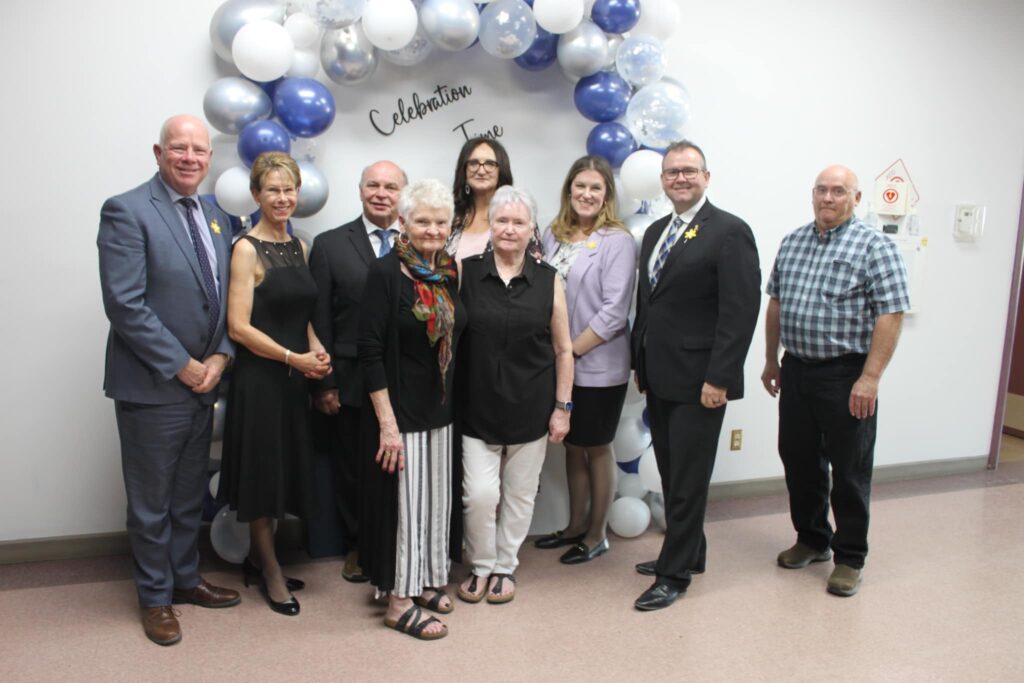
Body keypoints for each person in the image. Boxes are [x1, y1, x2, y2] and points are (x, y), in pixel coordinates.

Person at [98, 114, 240, 646]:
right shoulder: (127, 210)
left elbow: (225, 298)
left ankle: (184, 579)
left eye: (199, 150)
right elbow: (125, 305)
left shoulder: (214, 214)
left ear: (208, 158)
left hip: (205, 384)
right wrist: (184, 365)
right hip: (153, 386)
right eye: (178, 148)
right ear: (158, 153)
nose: (189, 158)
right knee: (151, 502)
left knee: (185, 496)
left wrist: (221, 359)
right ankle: (155, 598)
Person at [761, 165, 909, 598]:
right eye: (822, 190)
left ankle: (849, 558)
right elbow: (776, 304)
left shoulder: (876, 247)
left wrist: (871, 377)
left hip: (848, 374)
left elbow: (891, 314)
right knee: (798, 458)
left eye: (839, 191)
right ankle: (812, 539)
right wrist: (772, 359)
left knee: (849, 469)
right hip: (798, 369)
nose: (828, 198)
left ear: (856, 199)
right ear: (812, 195)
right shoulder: (793, 242)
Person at [630, 140, 761, 611]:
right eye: (671, 172)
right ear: (662, 180)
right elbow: (650, 302)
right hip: (660, 374)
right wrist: (638, 359)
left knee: (688, 478)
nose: (679, 179)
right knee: (671, 471)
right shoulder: (658, 231)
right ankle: (691, 550)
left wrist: (720, 378)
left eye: (689, 171)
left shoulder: (729, 232)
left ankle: (674, 573)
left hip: (701, 380)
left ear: (707, 176)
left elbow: (741, 310)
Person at [217, 152, 332, 616]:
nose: (282, 198)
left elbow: (300, 315)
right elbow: (238, 327)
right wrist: (293, 358)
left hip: (292, 381)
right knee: (263, 477)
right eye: (273, 190)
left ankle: (262, 557)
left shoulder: (297, 246)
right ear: (255, 195)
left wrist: (316, 351)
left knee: (283, 471)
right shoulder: (246, 248)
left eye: (289, 190)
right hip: (261, 381)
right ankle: (269, 572)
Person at [358, 179, 466, 641]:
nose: (432, 229)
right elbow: (368, 350)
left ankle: (421, 582)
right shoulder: (385, 274)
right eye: (422, 220)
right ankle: (398, 602)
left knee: (432, 506)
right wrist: (386, 425)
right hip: (399, 414)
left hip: (439, 410)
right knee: (405, 509)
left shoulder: (448, 271)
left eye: (441, 222)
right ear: (403, 222)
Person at [457, 186, 574, 604]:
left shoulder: (548, 279)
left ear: (531, 230)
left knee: (521, 494)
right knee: (479, 497)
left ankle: (505, 566)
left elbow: (563, 349)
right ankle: (481, 565)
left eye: (518, 222)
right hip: (476, 406)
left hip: (532, 406)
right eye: (501, 221)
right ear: (490, 227)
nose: (509, 229)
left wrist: (563, 408)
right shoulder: (465, 273)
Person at [309, 161, 407, 583]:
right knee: (354, 468)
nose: (381, 193)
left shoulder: (420, 240)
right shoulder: (330, 245)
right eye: (373, 185)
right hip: (348, 378)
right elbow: (319, 319)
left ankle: (402, 542)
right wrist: (325, 383)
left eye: (390, 186)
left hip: (406, 378)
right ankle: (357, 546)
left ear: (402, 193)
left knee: (402, 464)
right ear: (360, 190)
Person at [536, 155, 636, 564]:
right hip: (562, 364)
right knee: (571, 446)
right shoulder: (552, 234)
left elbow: (614, 312)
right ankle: (575, 525)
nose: (587, 194)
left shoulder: (618, 240)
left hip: (597, 364)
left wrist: (570, 352)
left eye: (596, 188)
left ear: (606, 195)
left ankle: (597, 534)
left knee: (595, 446)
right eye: (580, 186)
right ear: (569, 190)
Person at [446, 137, 542, 261]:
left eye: (490, 164)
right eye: (474, 163)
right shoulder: (451, 215)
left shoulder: (520, 215)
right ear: (464, 170)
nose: (481, 171)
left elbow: (536, 271)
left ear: (501, 170)